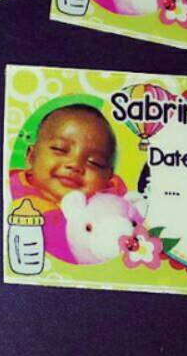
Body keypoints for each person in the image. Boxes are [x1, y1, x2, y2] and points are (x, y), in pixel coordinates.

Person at [9, 105, 127, 263]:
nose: (75, 165)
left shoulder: (114, 210)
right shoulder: (12, 192)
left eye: (94, 162)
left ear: (108, 179)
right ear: (31, 157)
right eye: (60, 149)